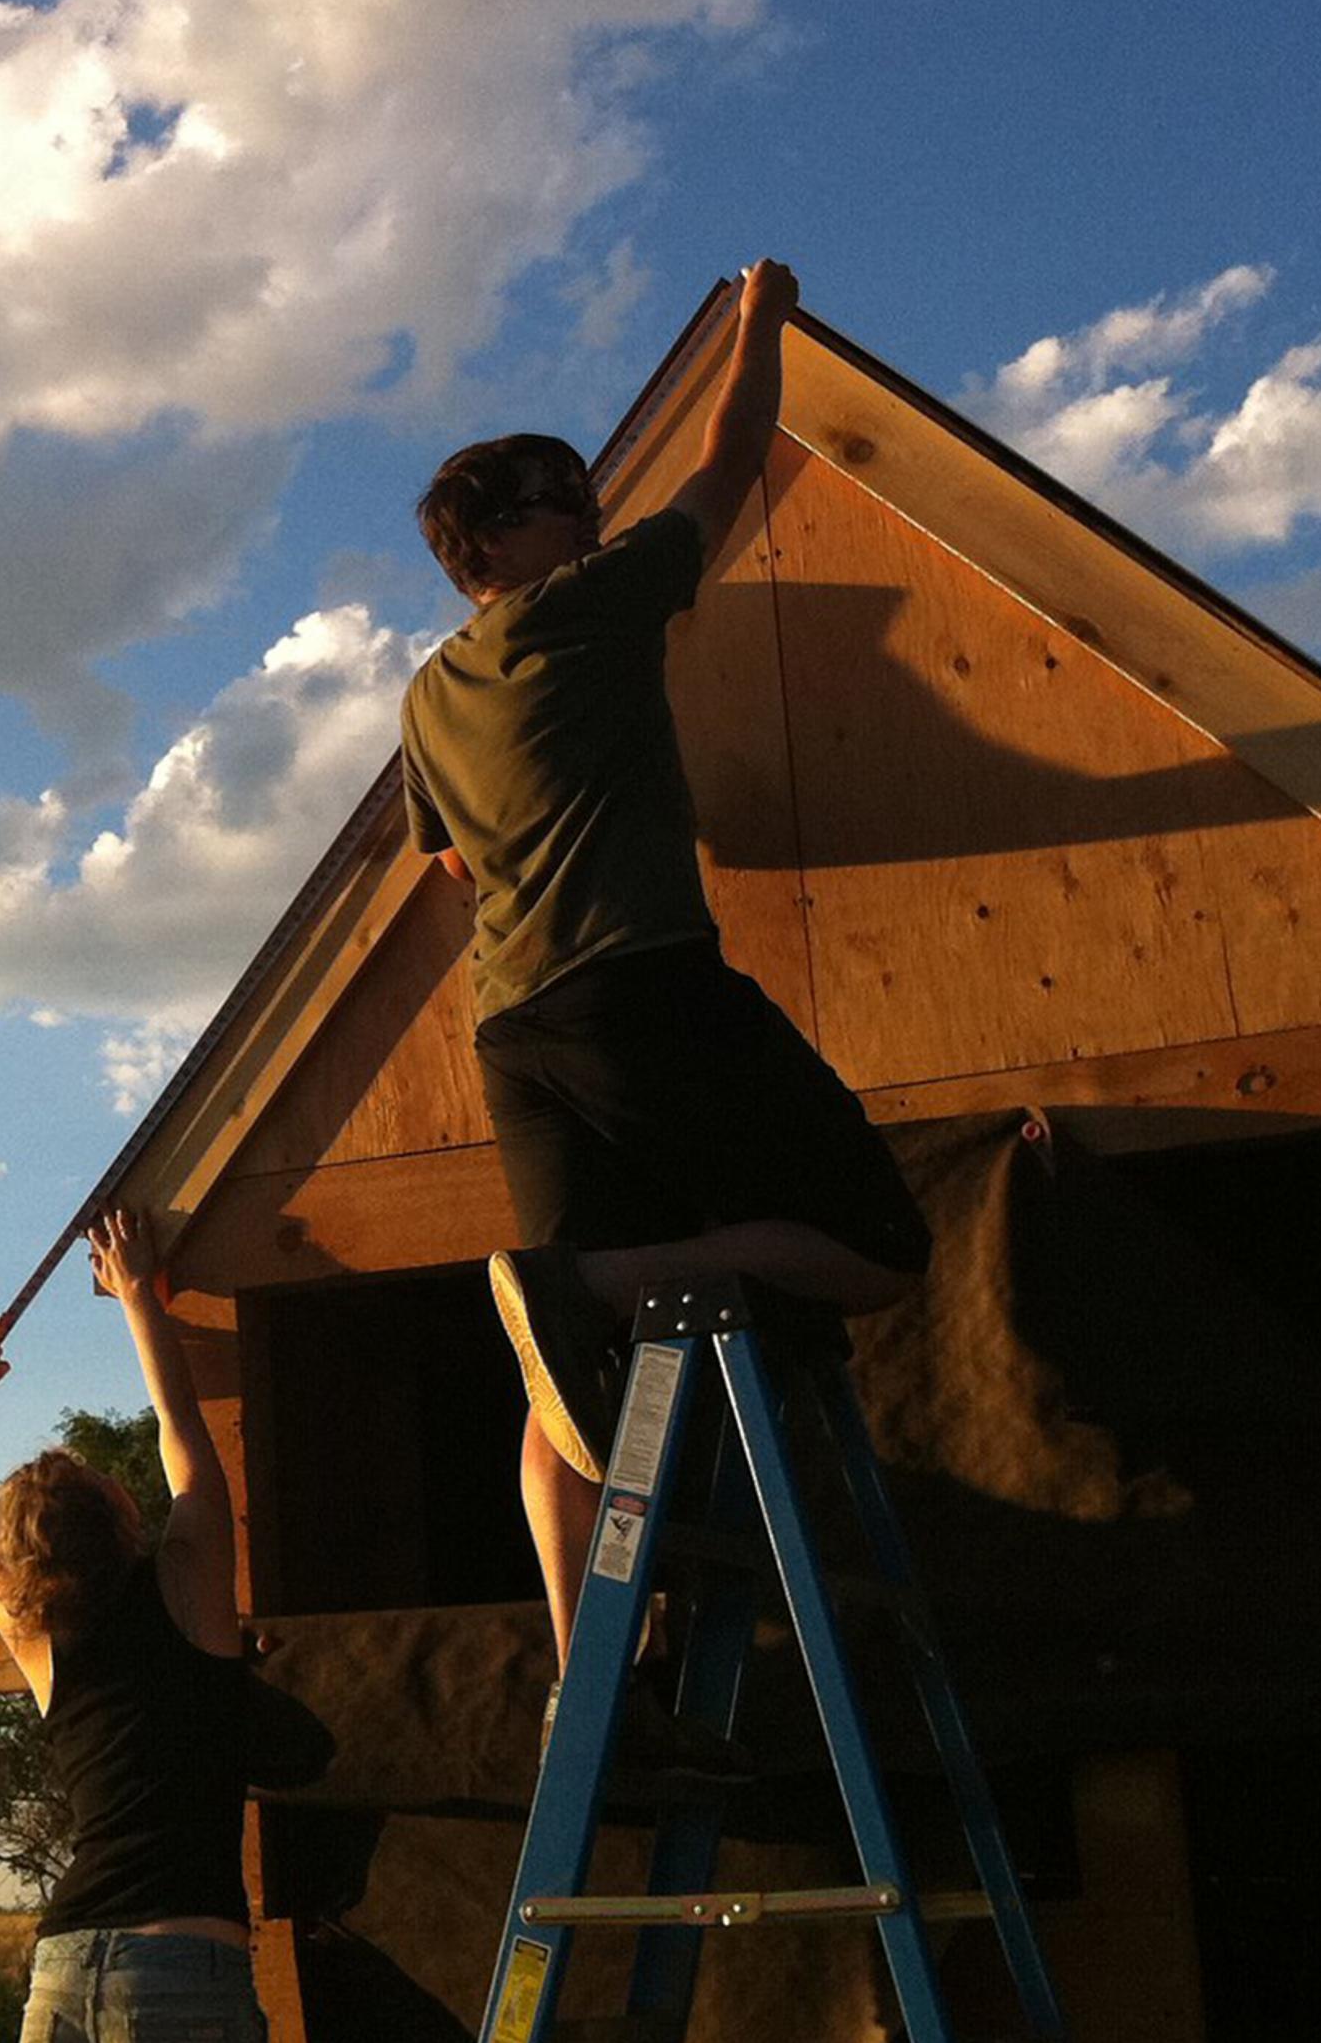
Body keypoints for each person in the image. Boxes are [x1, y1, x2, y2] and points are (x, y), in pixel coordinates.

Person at [399, 258, 930, 1664]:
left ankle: (595, 1663)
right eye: (561, 495)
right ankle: (602, 1278)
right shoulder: (589, 601)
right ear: (492, 540)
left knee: (568, 1380)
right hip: (640, 980)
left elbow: (453, 866)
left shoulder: (428, 692)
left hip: (516, 1030)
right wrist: (760, 321)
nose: (592, 509)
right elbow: (731, 459)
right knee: (881, 1248)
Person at [0, 1206, 261, 2043]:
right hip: (181, 1976)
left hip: (62, 1976)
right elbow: (183, 1434)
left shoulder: (40, 1639)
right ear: (123, 1518)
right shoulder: (187, 1588)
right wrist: (136, 1295)